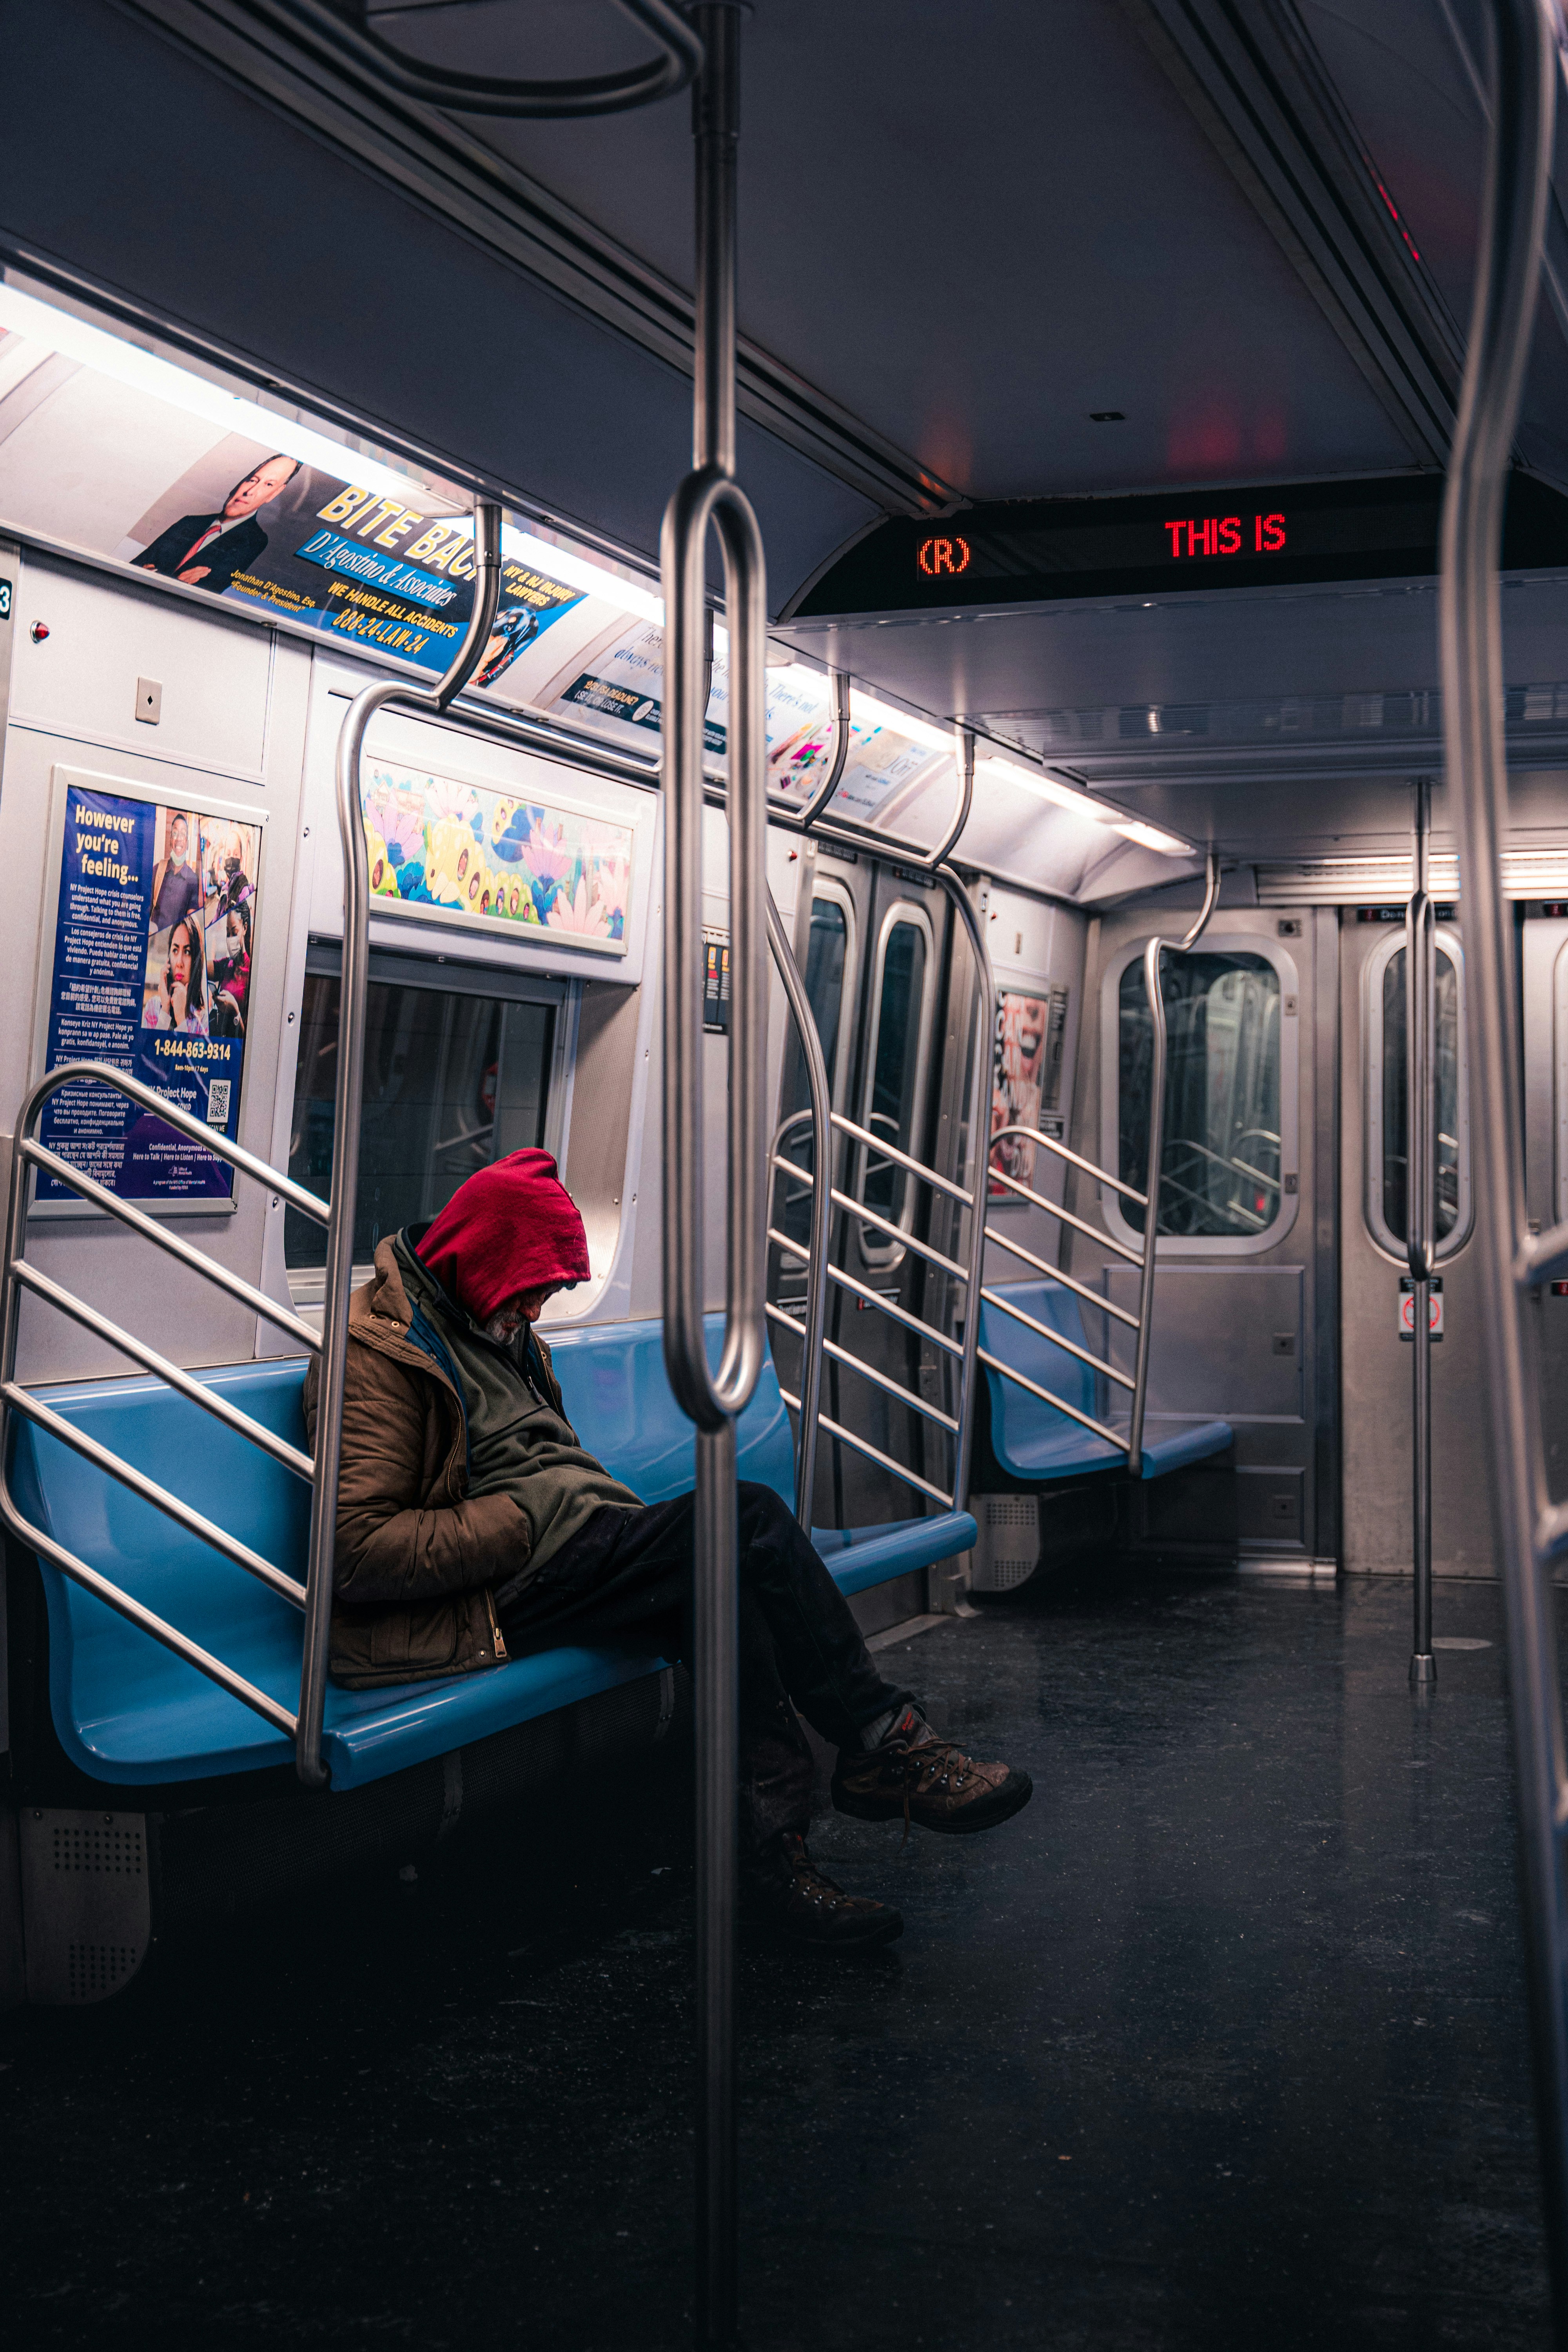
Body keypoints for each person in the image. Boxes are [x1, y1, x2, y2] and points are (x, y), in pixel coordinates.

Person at [304, 1150, 1032, 1953]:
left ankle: (775, 1864)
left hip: (573, 1549)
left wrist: (574, 1514)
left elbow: (551, 1469)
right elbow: (359, 1551)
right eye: (534, 1290)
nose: (541, 1310)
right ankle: (881, 1744)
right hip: (489, 1587)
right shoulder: (377, 1358)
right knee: (747, 1519)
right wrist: (521, 1520)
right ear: (483, 1261)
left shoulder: (496, 1327)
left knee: (727, 1591)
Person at [134, 453, 301, 594]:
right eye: (252, 480)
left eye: (269, 485)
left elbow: (208, 590)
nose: (249, 492)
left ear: (274, 494)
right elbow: (136, 566)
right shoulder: (190, 522)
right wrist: (174, 580)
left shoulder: (255, 541)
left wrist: (158, 575)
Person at [142, 913, 207, 1034]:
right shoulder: (153, 1008)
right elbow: (148, 1053)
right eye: (175, 950)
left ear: (196, 961)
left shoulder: (204, 1021)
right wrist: (165, 1012)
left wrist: (181, 1020)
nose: (179, 963)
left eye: (187, 952)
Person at [149, 812, 200, 936]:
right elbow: (146, 910)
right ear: (171, 840)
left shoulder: (192, 880)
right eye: (175, 833)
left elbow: (191, 924)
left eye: (183, 834)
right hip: (153, 946)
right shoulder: (158, 870)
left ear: (187, 843)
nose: (179, 839)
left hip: (174, 946)